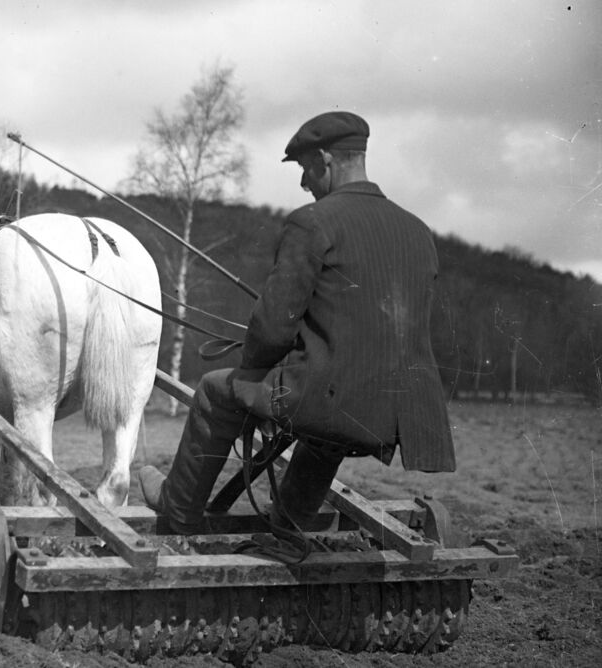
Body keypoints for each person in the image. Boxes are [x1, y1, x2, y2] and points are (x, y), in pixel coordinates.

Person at [140, 111, 456, 535]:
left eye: (306, 169)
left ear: (325, 160)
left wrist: (254, 363)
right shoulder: (417, 232)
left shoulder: (313, 222)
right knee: (327, 424)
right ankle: (290, 523)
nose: (304, 184)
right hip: (398, 415)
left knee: (216, 390)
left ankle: (177, 513)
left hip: (329, 400)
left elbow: (271, 330)